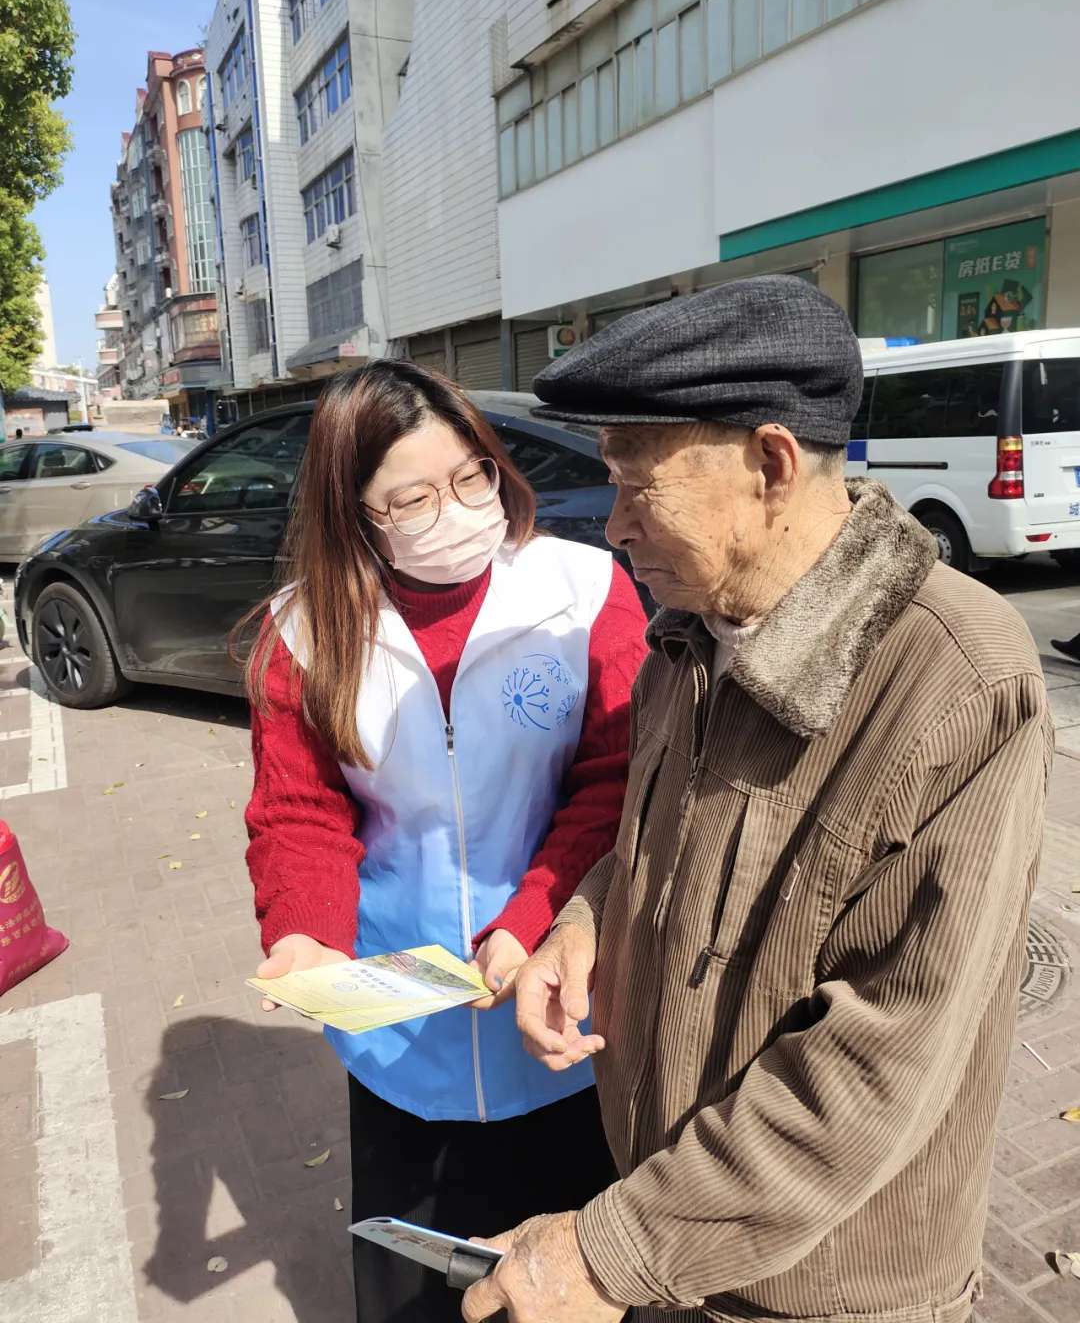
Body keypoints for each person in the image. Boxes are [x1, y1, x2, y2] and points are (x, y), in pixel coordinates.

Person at [462, 277, 1052, 1323]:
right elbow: (653, 844)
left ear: (772, 465)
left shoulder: (957, 677)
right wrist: (585, 923)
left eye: (638, 486)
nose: (615, 527)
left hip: (827, 1288)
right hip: (669, 1231)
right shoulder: (688, 638)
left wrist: (606, 1256)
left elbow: (876, 1062)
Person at [242, 361, 647, 1323]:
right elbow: (301, 812)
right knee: (417, 1285)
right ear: (357, 514)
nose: (457, 512)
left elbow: (616, 782)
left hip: (556, 1005)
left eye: (472, 477)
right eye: (412, 499)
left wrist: (534, 916)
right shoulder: (304, 633)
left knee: (562, 1280)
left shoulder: (582, 591)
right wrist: (305, 931)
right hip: (402, 1021)